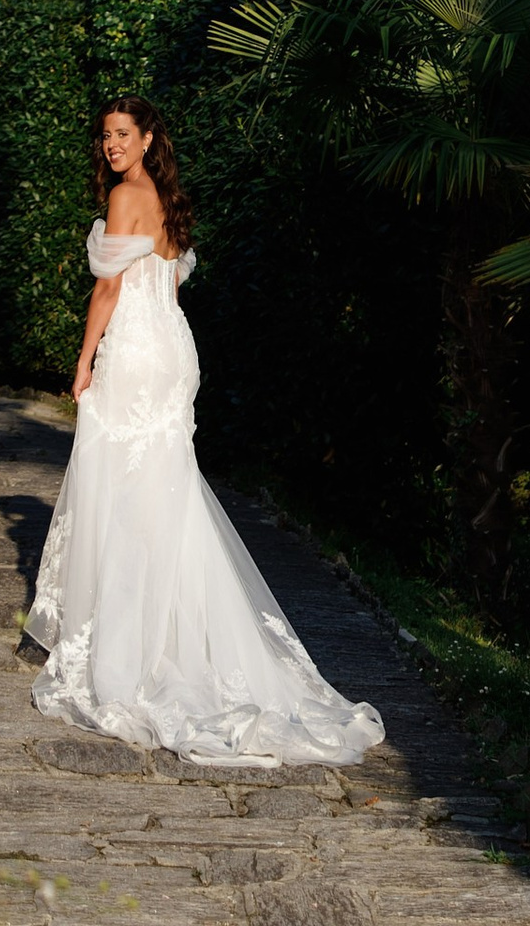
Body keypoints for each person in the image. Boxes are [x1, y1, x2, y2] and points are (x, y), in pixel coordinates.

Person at [22, 97, 384, 762]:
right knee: (165, 493)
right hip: (172, 347)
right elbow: (168, 289)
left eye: (123, 135)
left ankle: (130, 648)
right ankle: (175, 636)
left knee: (123, 488)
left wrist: (82, 362)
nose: (112, 146)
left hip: (135, 347)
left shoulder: (129, 196)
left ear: (148, 137)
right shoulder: (163, 195)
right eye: (105, 136)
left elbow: (107, 292)